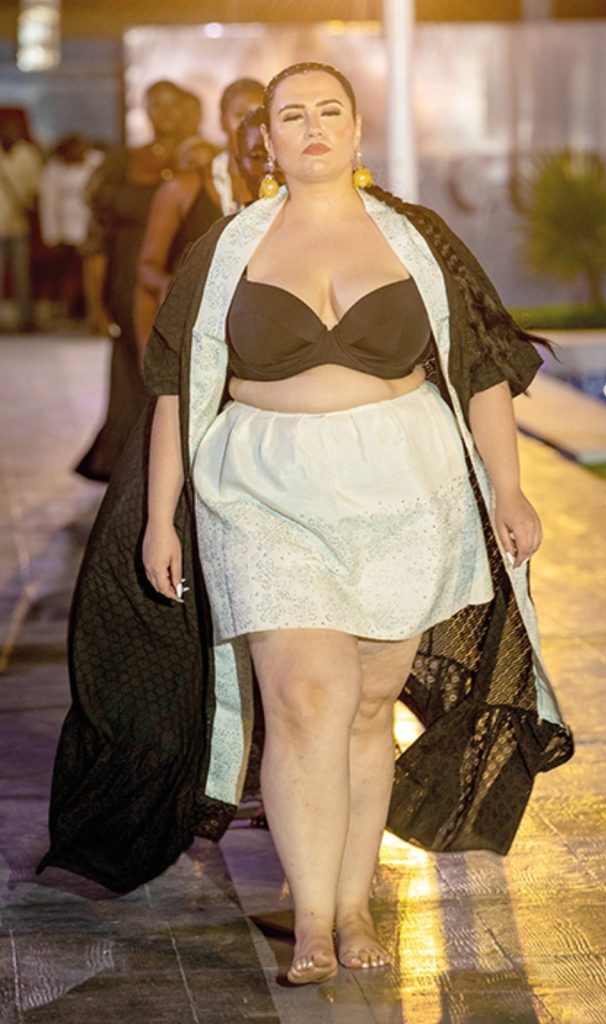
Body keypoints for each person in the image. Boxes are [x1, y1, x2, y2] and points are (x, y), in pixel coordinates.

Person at [39, 63, 574, 986]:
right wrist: (161, 516)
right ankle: (315, 918)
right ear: (269, 138)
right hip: (263, 491)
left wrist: (511, 490)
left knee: (366, 709)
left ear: (357, 129)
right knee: (303, 700)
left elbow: (484, 366)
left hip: (404, 488)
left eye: (331, 111)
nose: (314, 126)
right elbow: (176, 387)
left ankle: (356, 901)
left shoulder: (417, 238)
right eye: (294, 115)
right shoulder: (228, 248)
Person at [74, 80, 188, 482]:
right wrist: (95, 304)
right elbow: (96, 240)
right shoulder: (121, 163)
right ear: (146, 110)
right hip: (125, 281)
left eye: (173, 104)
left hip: (174, 282)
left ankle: (169, 465)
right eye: (157, 104)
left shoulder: (197, 159)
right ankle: (126, 470)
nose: (165, 113)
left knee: (169, 372)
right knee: (128, 375)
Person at [134, 103, 269, 366]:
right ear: (222, 120)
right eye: (240, 113)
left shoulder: (287, 193)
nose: (251, 121)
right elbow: (147, 271)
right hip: (196, 338)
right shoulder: (183, 187)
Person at [39, 134, 104, 320]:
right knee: (70, 275)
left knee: (93, 274)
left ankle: (94, 312)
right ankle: (70, 311)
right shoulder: (54, 169)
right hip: (67, 232)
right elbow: (49, 204)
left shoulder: (97, 162)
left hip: (91, 229)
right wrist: (52, 235)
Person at [0, 111, 42, 332]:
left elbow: (35, 187)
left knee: (21, 275)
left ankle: (26, 320)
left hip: (18, 223)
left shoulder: (27, 154)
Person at [210, 78, 265, 214]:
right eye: (240, 115)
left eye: (260, 116)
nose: (250, 125)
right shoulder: (186, 188)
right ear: (222, 120)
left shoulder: (290, 185)